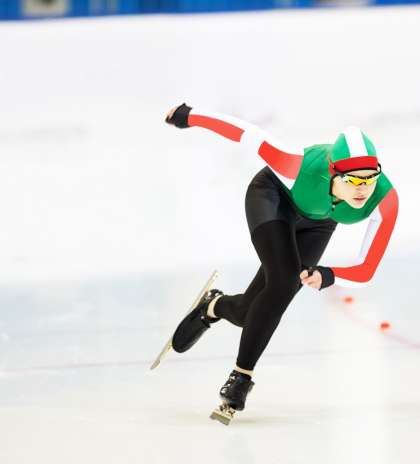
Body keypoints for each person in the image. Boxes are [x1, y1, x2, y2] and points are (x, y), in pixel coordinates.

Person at [164, 103, 399, 414]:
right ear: (333, 171)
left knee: (252, 311)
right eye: (353, 180)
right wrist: (190, 116)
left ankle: (213, 306)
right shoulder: (295, 165)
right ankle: (241, 377)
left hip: (319, 222)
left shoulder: (385, 199)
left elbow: (367, 269)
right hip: (273, 197)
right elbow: (247, 133)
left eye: (370, 178)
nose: (363, 189)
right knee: (283, 282)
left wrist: (329, 275)